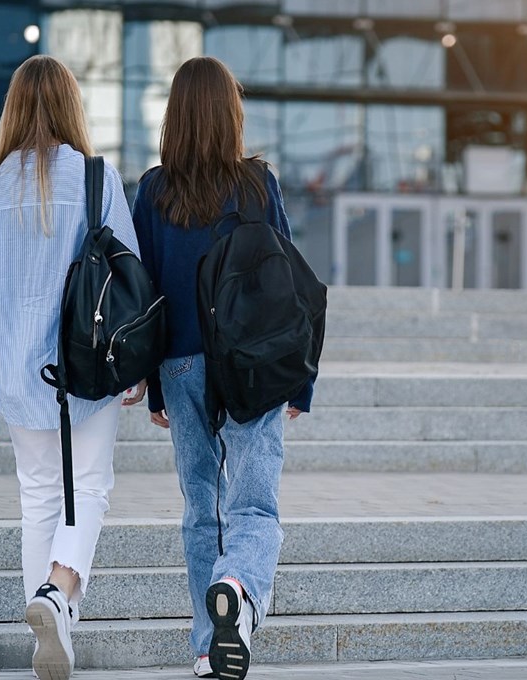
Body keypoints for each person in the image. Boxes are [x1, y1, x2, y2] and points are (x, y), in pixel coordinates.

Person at [0, 54, 146, 680]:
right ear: (71, 106)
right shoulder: (96, 178)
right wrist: (135, 363)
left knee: (37, 498)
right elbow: (128, 275)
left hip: (15, 369)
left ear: (13, 110)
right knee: (88, 487)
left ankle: (50, 623)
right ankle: (58, 596)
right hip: (87, 366)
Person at [132, 56, 313, 680]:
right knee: (254, 506)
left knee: (200, 503)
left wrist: (153, 382)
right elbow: (288, 288)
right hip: (254, 364)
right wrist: (301, 381)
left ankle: (210, 647)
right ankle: (237, 587)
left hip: (181, 363)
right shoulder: (258, 184)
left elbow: (146, 293)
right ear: (231, 114)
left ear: (174, 116)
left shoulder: (154, 190)